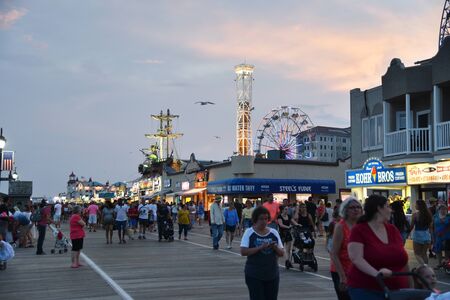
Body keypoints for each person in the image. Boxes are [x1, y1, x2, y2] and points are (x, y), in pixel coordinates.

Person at [347, 195, 409, 299]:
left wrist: (409, 285)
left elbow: (403, 258)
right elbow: (356, 258)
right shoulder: (359, 230)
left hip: (396, 288)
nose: (391, 210)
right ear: (379, 208)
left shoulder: (392, 229)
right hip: (366, 288)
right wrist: (377, 274)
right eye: (388, 206)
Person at [240, 206, 284, 300]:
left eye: (266, 218)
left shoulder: (274, 232)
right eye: (261, 219)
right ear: (255, 219)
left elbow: (281, 253)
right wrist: (260, 247)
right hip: (254, 274)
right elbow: (243, 251)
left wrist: (274, 247)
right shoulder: (249, 232)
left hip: (272, 274)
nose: (264, 221)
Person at [330, 197, 362, 300]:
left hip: (359, 271)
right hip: (341, 270)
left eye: (358, 207)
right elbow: (334, 253)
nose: (356, 210)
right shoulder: (340, 227)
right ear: (345, 210)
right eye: (352, 207)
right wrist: (342, 277)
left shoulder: (362, 225)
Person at [410, 199, 433, 265]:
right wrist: (432, 237)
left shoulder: (415, 215)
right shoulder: (429, 214)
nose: (415, 206)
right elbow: (431, 227)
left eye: (416, 204)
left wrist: (407, 232)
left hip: (417, 236)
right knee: (424, 254)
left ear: (419, 206)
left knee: (417, 254)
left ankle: (424, 267)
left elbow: (411, 226)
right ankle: (426, 267)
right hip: (427, 235)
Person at [432, 204, 450, 269]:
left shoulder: (448, 216)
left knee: (447, 250)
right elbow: (432, 226)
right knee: (438, 250)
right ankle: (439, 263)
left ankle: (446, 264)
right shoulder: (435, 216)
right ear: (439, 210)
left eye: (445, 209)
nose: (443, 210)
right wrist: (433, 235)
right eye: (442, 209)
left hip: (447, 236)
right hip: (437, 236)